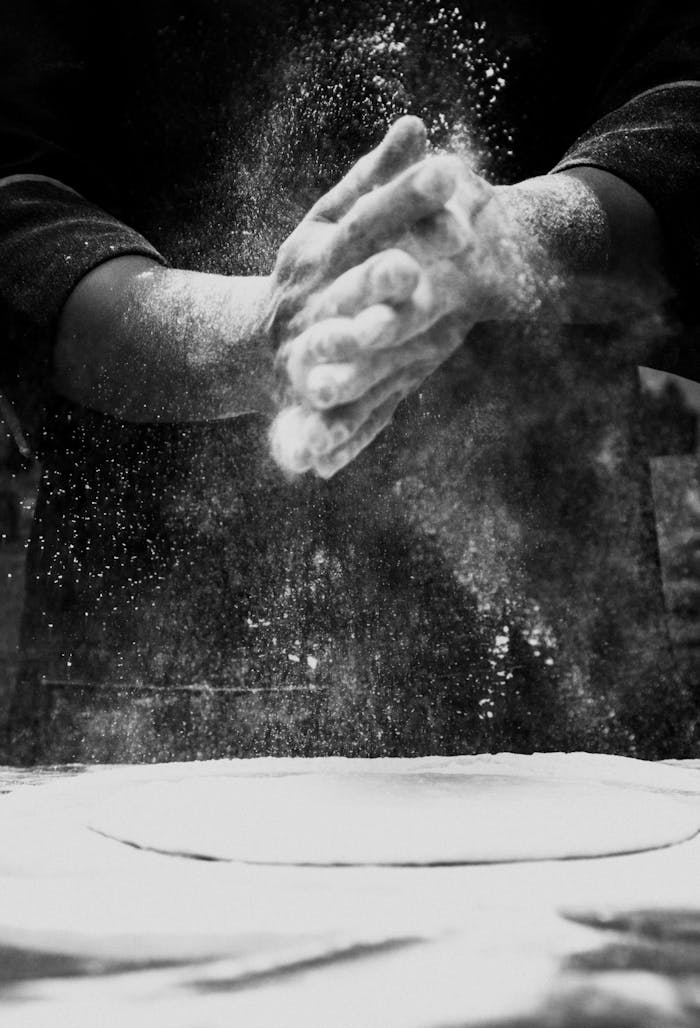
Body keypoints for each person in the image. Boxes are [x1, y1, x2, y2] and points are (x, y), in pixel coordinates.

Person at [0, 0, 698, 763]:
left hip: (561, 658)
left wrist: (516, 238)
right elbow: (16, 186)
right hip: (146, 657)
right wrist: (246, 332)